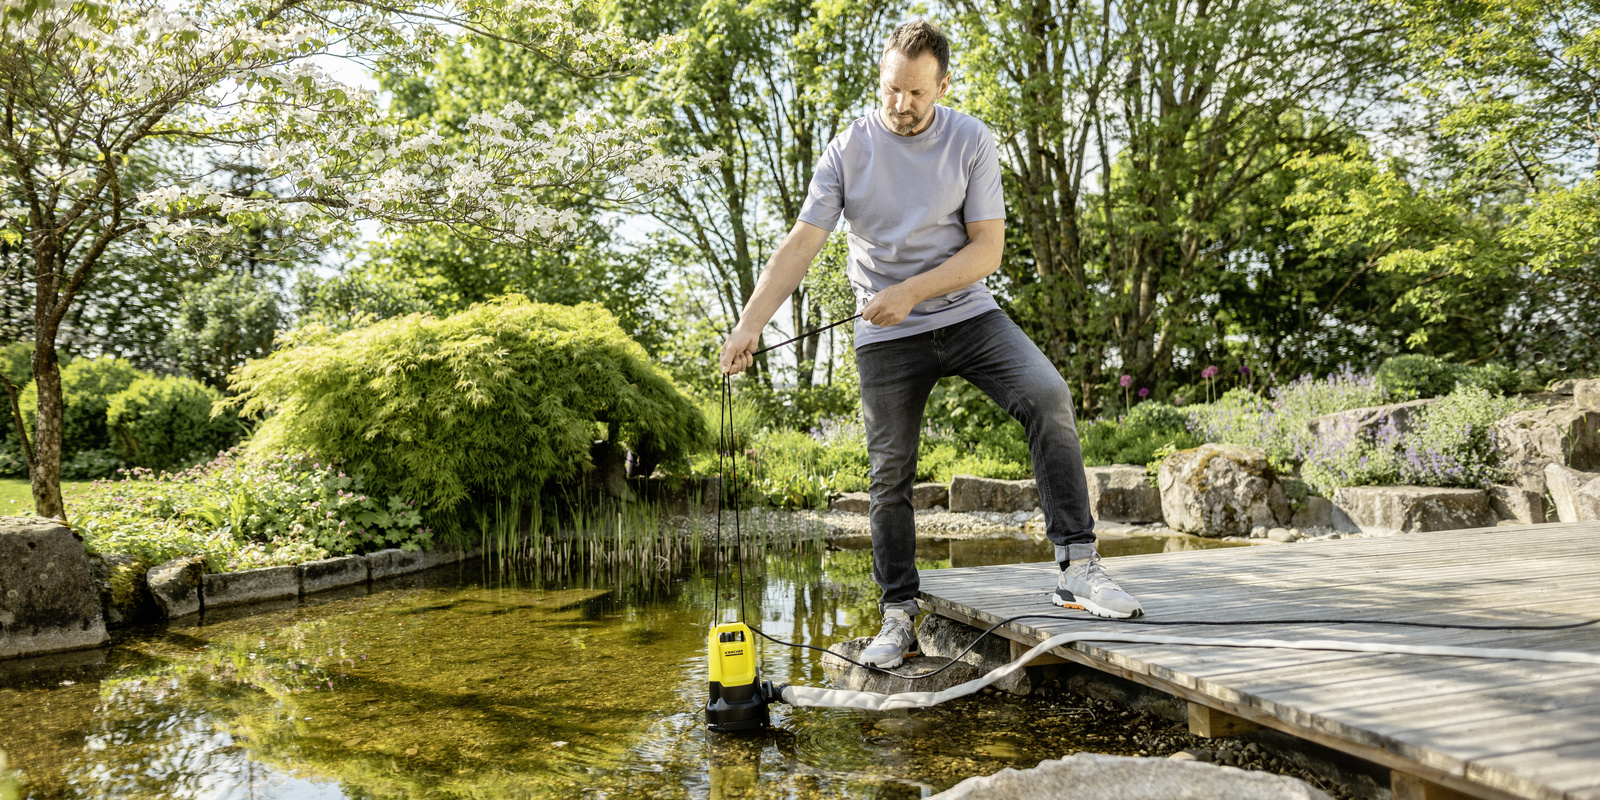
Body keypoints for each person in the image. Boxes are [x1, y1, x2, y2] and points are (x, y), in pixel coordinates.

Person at [719, 19, 1143, 669]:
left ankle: (1077, 569)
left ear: (942, 86)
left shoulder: (970, 140)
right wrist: (750, 325)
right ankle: (896, 612)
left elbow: (987, 250)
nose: (901, 104)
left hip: (969, 314)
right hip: (887, 336)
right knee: (889, 470)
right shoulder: (846, 151)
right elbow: (801, 245)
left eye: (916, 93)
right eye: (891, 89)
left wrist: (913, 290)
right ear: (881, 81)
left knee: (1048, 395)